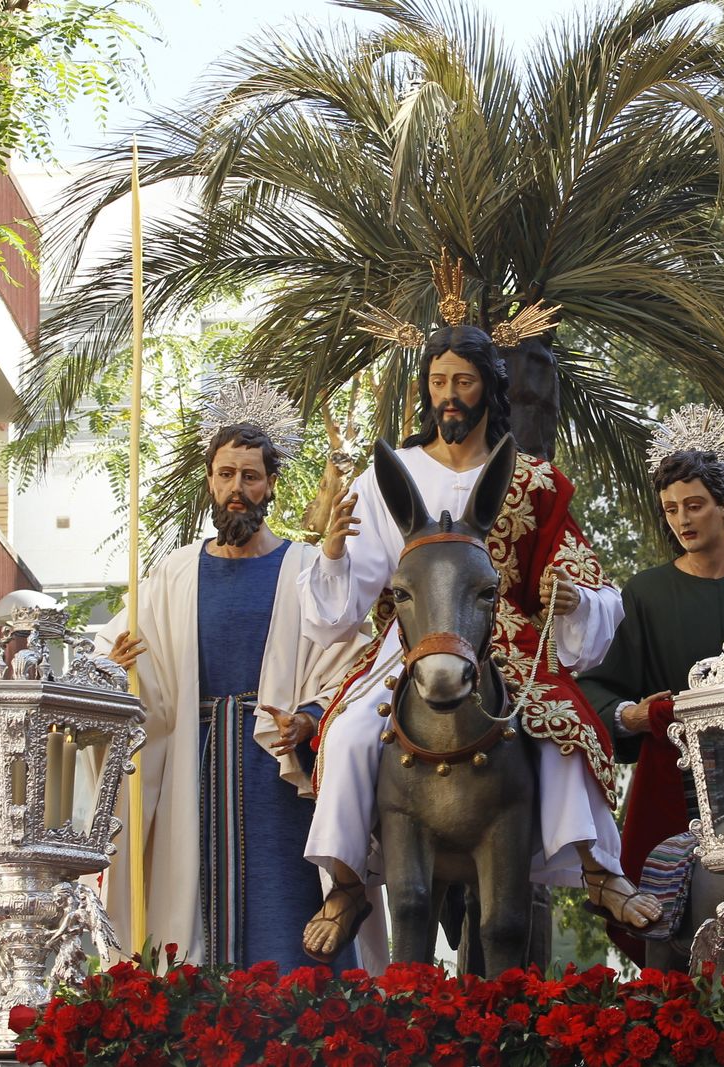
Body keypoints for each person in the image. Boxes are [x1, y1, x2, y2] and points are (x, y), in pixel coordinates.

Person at [298, 267, 661, 963]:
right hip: (410, 640)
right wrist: (338, 553)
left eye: (463, 381)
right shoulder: (390, 475)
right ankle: (344, 880)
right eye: (438, 382)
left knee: (560, 730)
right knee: (345, 737)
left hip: (508, 637)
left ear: (487, 385)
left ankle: (597, 865)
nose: (449, 396)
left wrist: (574, 599)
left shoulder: (533, 477)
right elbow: (361, 588)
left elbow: (580, 569)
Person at [99, 380, 370, 971]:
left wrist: (310, 718)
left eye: (251, 476)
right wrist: (119, 671)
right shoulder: (174, 573)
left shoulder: (304, 567)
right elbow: (117, 650)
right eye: (226, 475)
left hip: (281, 770)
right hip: (192, 768)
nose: (237, 490)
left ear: (271, 484)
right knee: (189, 918)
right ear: (211, 482)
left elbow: (353, 661)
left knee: (290, 918)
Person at [578, 403, 724, 965]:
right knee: (667, 931)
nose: (682, 520)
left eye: (695, 506)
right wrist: (633, 715)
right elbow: (597, 691)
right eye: (670, 510)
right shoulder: (645, 594)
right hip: (673, 782)